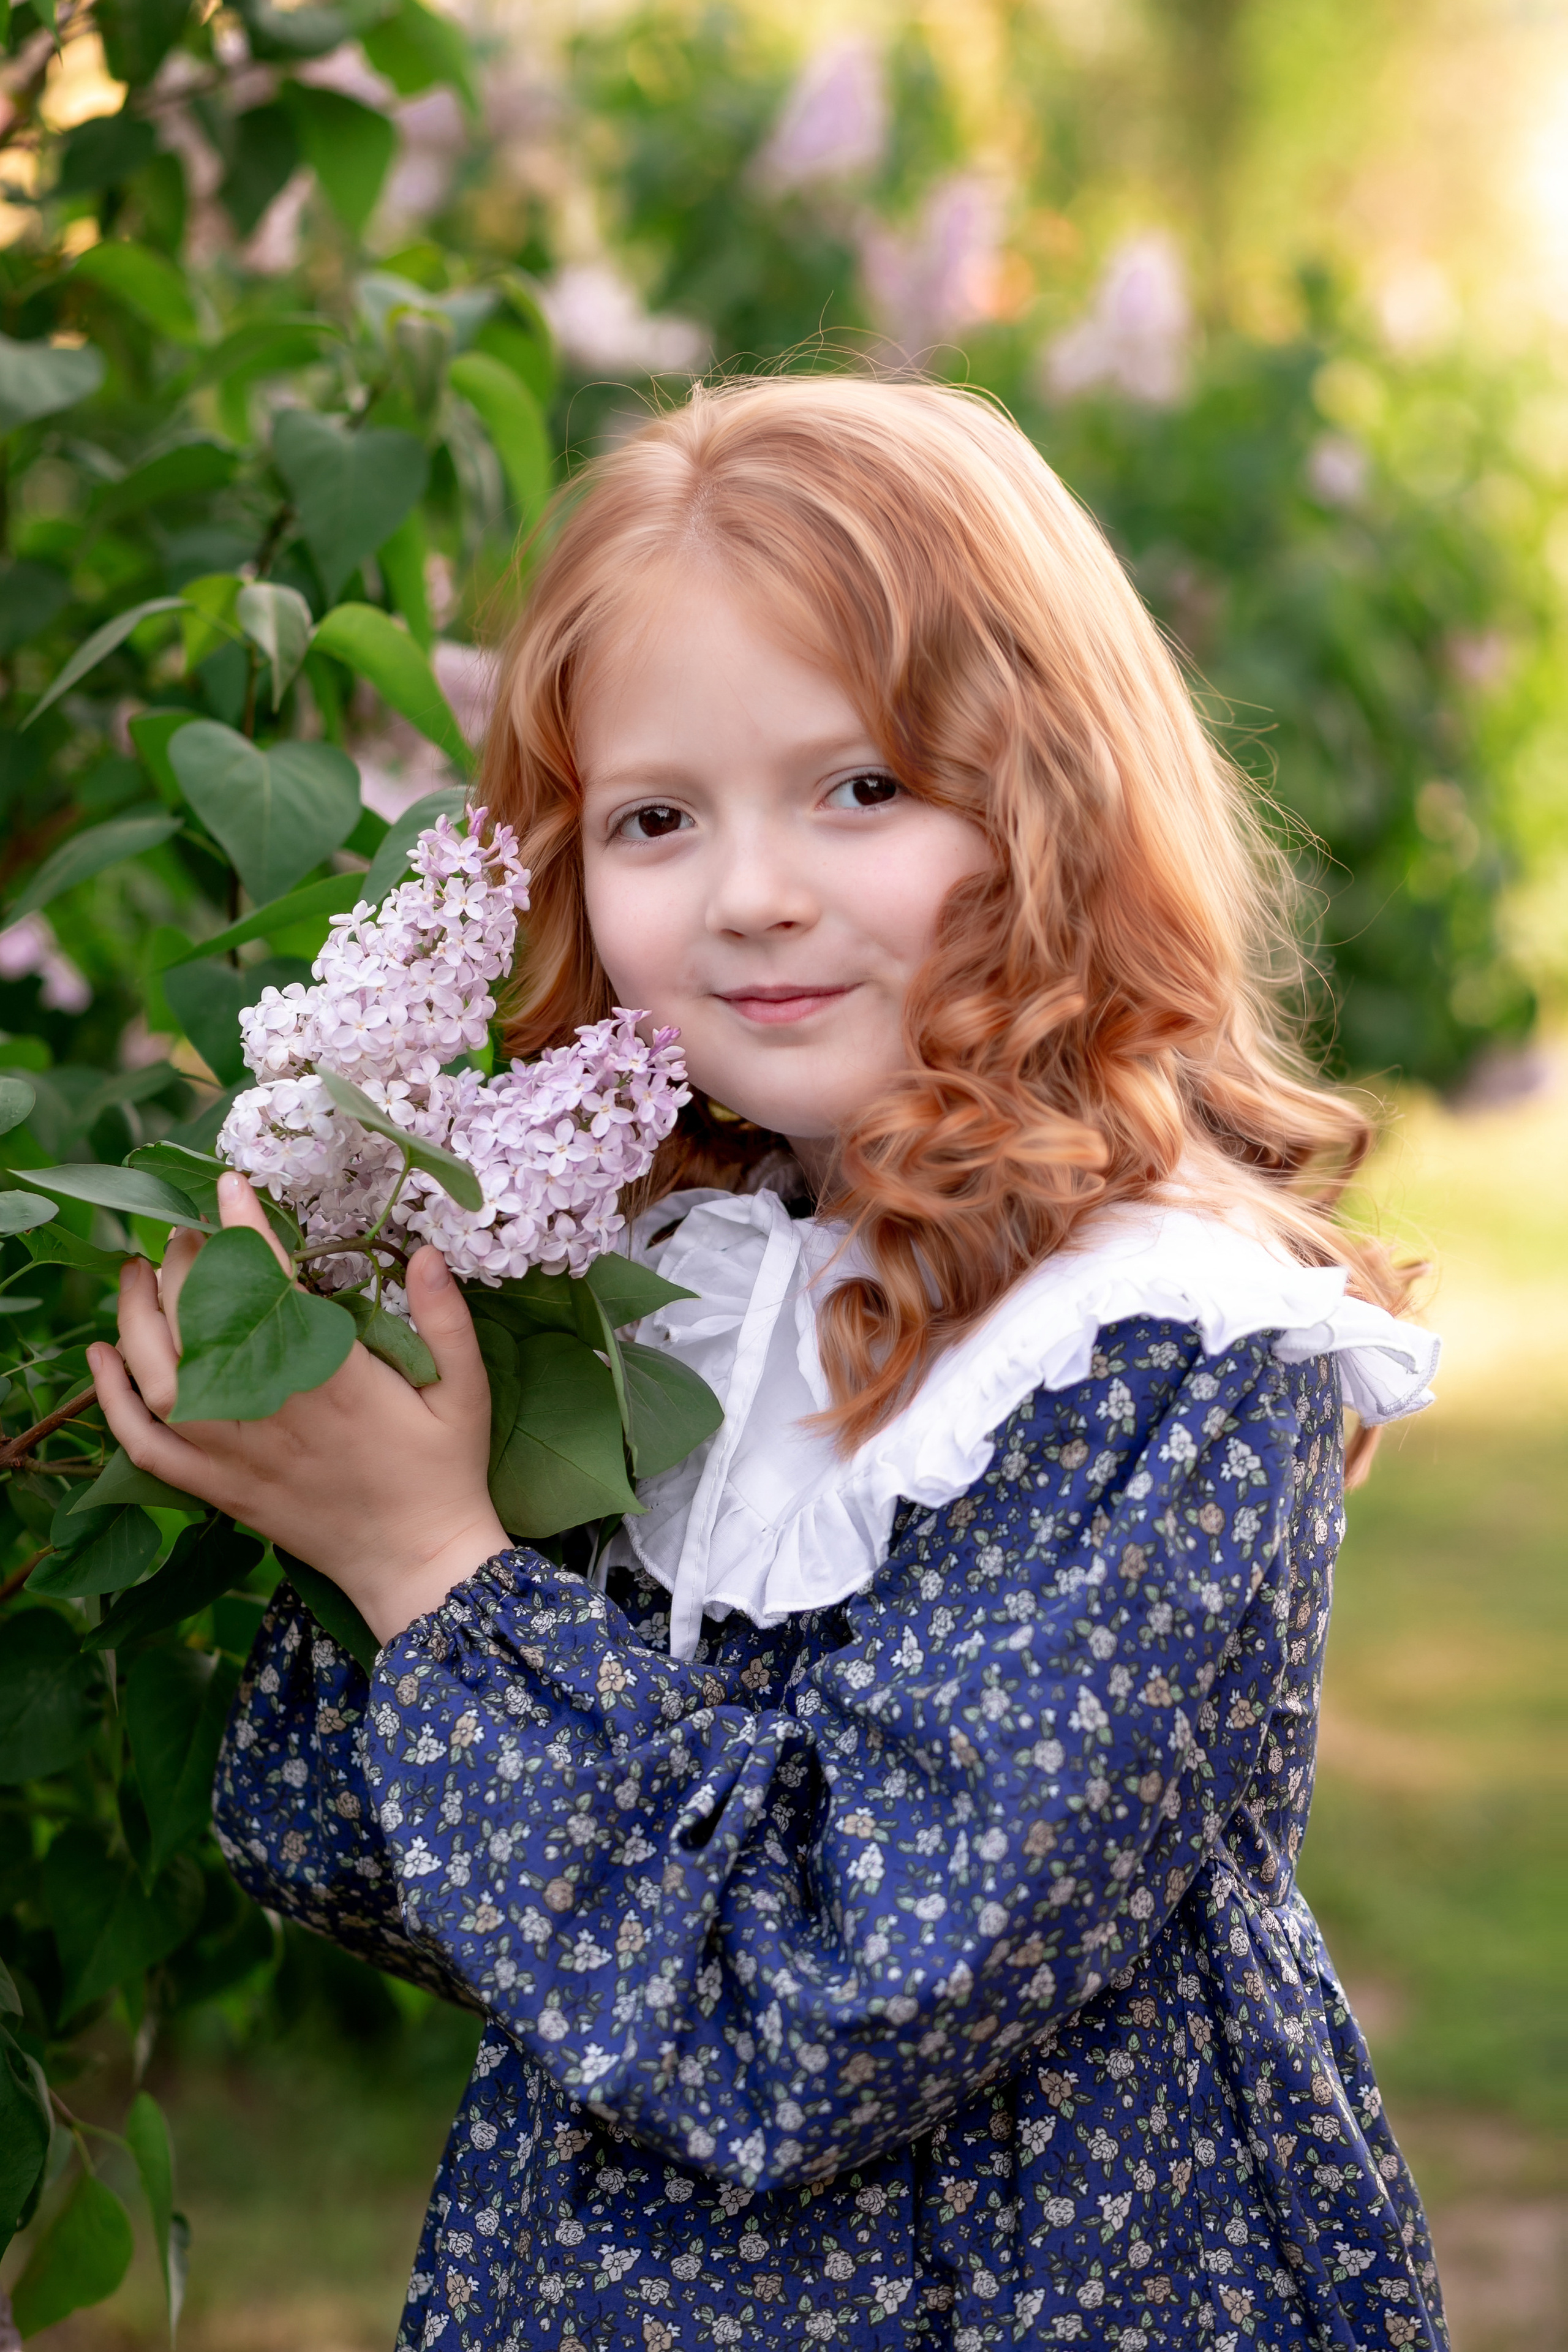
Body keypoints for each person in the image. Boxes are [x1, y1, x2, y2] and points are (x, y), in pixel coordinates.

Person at [89, 376, 1449, 2351]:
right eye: (656, 818)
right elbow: (352, 1848)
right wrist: (329, 1403)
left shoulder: (1161, 1355)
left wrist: (425, 1572)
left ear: (1051, 799)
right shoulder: (666, 1285)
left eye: (861, 787)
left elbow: (817, 2000)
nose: (752, 893)